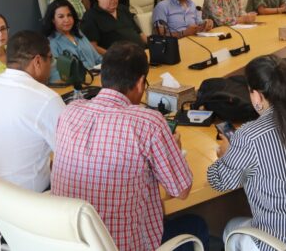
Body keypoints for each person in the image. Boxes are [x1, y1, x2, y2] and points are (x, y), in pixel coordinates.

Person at [51, 42, 208, 251]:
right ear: (141, 83)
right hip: (123, 246)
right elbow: (181, 190)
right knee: (197, 225)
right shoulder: (149, 123)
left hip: (70, 243)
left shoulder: (69, 112)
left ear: (102, 76)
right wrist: (175, 150)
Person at [208, 55, 286, 251]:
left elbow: (218, 181)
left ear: (257, 96)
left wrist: (227, 154)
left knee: (230, 229)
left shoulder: (250, 136)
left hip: (282, 244)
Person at [0, 31, 63, 192]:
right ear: (38, 61)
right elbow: (71, 156)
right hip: (21, 199)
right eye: (50, 58)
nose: (51, 65)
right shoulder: (47, 99)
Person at [81, 0, 146, 55]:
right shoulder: (90, 16)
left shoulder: (123, 9)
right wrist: (112, 57)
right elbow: (92, 46)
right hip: (117, 59)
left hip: (141, 53)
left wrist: (152, 46)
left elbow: (140, 33)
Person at [43, 0, 102, 82]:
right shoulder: (51, 43)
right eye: (61, 17)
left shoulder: (79, 34)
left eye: (69, 15)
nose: (67, 20)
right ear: (53, 20)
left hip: (96, 78)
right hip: (75, 85)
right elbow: (55, 76)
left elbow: (98, 58)